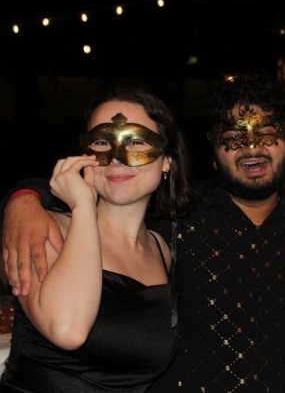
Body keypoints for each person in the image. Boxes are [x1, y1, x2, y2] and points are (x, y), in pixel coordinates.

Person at [1, 74, 285, 392]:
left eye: (266, 133)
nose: (251, 147)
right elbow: (67, 327)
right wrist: (25, 199)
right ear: (214, 154)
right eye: (232, 138)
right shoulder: (179, 224)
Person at [0, 85, 195, 392]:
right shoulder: (43, 229)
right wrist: (81, 208)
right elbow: (68, 330)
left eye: (137, 141)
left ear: (166, 160)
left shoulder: (161, 249)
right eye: (103, 141)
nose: (117, 158)